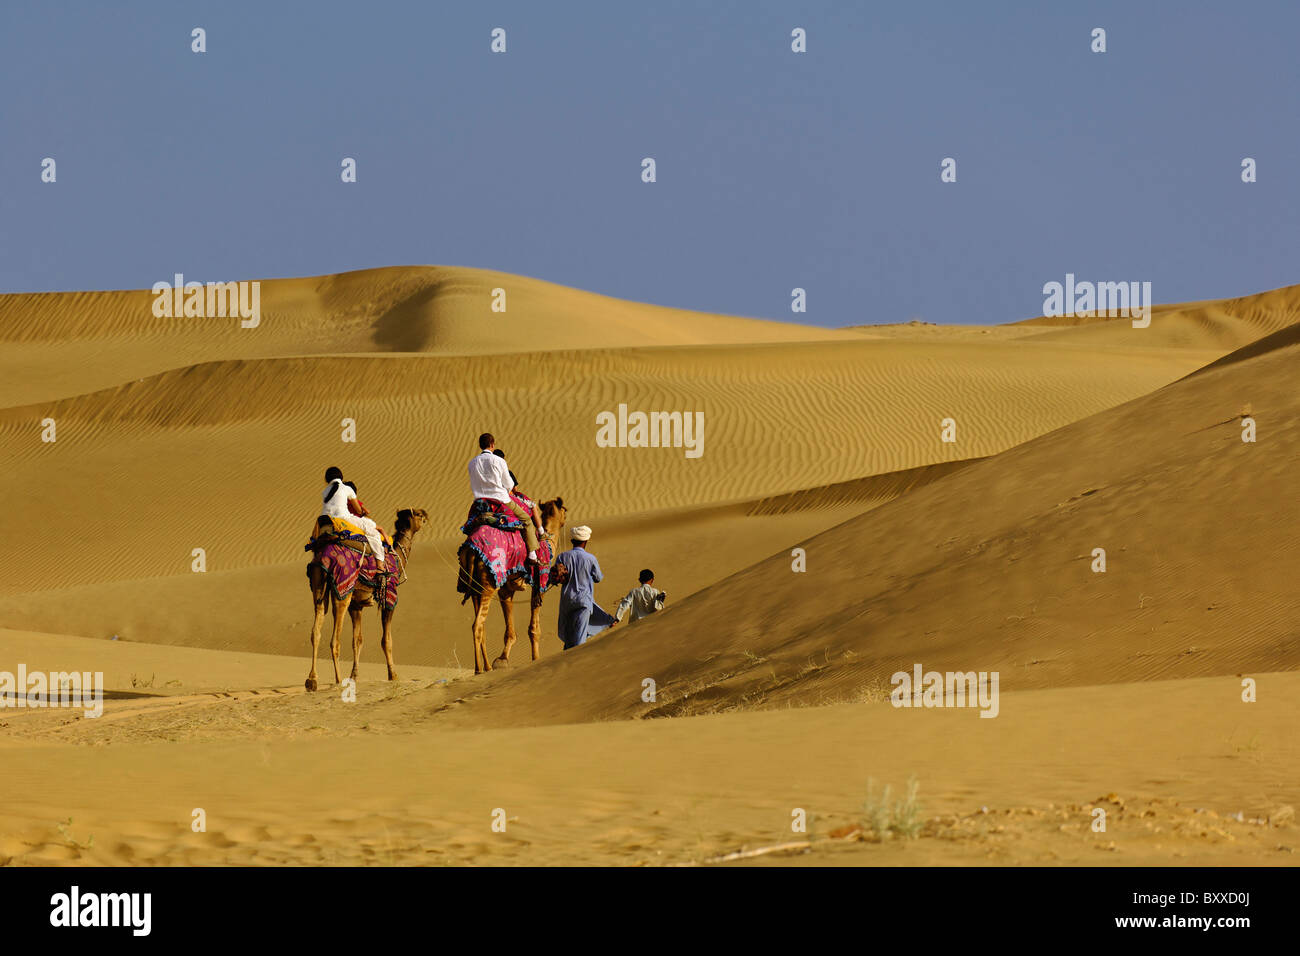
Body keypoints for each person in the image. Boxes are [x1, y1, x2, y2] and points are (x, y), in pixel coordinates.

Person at [468, 433, 539, 563]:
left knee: (470, 526)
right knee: (527, 520)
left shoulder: (472, 463)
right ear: (493, 445)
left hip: (479, 503)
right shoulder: (499, 461)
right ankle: (532, 554)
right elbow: (509, 484)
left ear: (480, 445)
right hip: (500, 501)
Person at [554, 525, 617, 649]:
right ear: (585, 542)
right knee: (579, 639)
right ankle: (576, 663)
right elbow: (598, 578)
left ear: (572, 541)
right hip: (583, 601)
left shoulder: (562, 557)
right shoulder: (590, 558)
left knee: (569, 637)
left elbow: (554, 577)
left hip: (567, 601)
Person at [319, 467, 385, 561]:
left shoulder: (324, 492)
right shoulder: (347, 489)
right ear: (341, 476)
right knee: (374, 533)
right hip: (343, 519)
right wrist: (362, 511)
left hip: (324, 521)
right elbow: (358, 510)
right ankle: (380, 564)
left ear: (327, 479)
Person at [492, 448, 546, 543]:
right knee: (532, 506)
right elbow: (515, 489)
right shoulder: (507, 472)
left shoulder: (490, 473)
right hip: (508, 497)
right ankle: (541, 532)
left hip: (491, 497)